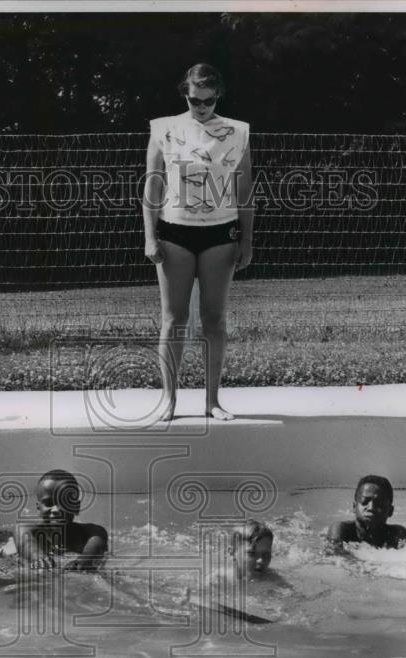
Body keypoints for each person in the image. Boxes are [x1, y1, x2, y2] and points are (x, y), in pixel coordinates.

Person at [142, 63, 254, 422]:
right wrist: (149, 235)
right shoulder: (164, 128)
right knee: (173, 319)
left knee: (214, 319)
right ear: (184, 95)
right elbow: (153, 184)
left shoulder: (237, 132)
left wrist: (247, 239)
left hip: (220, 232)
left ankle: (213, 401)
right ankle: (168, 401)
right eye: (194, 101)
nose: (201, 107)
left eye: (208, 101)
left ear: (217, 96)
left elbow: (244, 190)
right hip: (175, 230)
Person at [325, 475, 406, 559]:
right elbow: (335, 557)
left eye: (379, 504)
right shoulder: (341, 529)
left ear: (390, 511)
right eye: (365, 501)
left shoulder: (396, 533)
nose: (371, 507)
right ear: (354, 507)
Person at [15, 470, 108, 571]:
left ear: (76, 507)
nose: (56, 510)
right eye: (49, 503)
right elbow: (24, 540)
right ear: (39, 508)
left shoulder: (91, 532)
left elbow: (96, 544)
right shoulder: (27, 530)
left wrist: (85, 560)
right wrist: (37, 558)